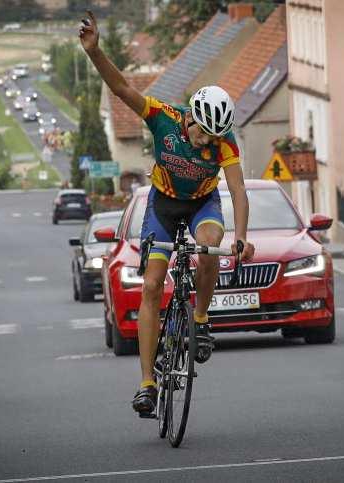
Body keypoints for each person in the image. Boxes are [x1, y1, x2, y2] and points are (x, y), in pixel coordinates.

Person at [79, 11, 255, 417]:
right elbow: (121, 87)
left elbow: (238, 189)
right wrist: (95, 52)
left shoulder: (223, 143)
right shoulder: (164, 118)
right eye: (201, 132)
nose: (205, 141)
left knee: (210, 246)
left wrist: (242, 236)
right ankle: (146, 384)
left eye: (214, 136)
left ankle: (202, 317)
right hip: (163, 203)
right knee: (153, 286)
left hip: (202, 205)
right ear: (190, 115)